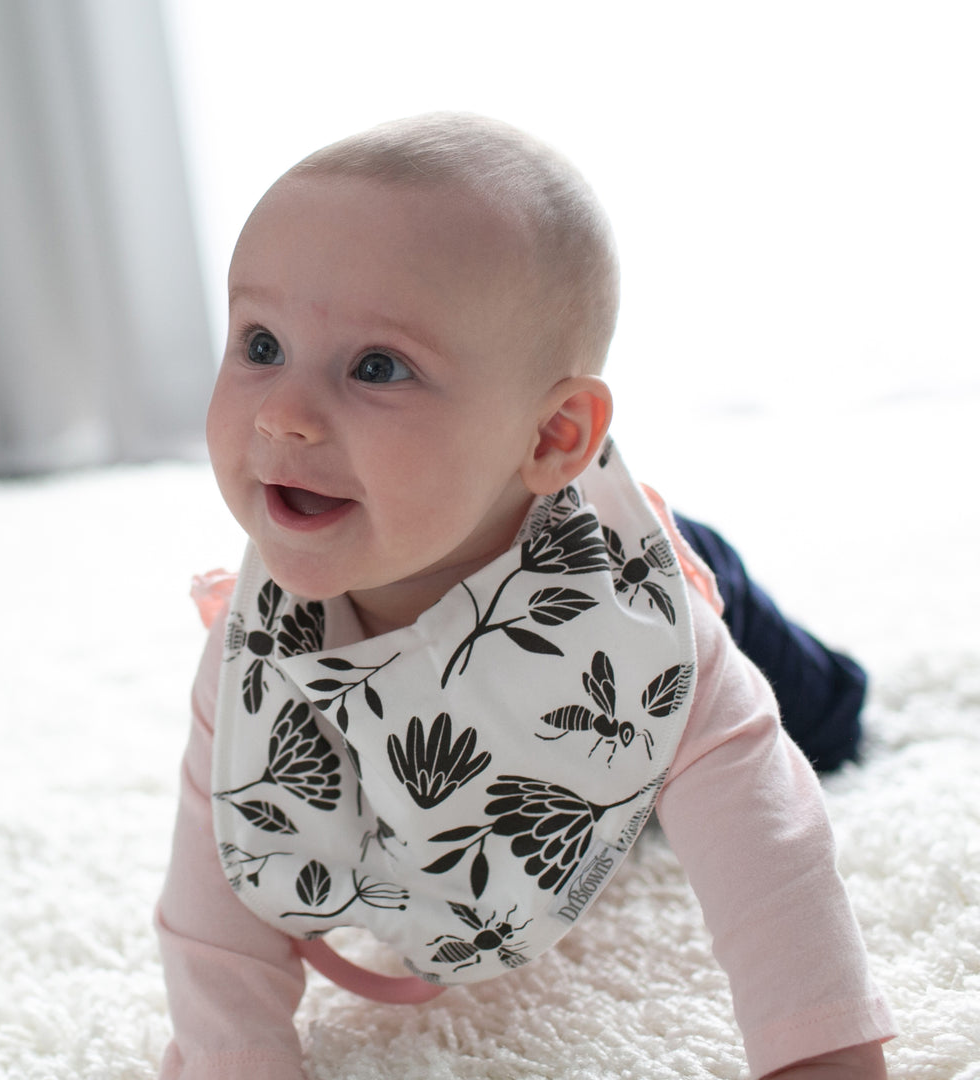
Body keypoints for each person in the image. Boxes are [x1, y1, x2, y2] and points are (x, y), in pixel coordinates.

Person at [156, 114, 895, 1080]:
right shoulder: (258, 657)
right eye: (260, 343)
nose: (284, 414)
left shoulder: (644, 628)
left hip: (620, 579)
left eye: (377, 366)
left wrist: (822, 1055)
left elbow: (773, 851)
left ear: (552, 436)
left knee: (826, 724)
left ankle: (811, 683)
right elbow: (214, 904)